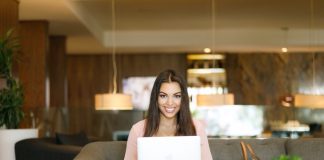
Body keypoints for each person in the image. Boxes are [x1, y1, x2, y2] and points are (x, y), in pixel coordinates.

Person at [124, 69, 213, 160]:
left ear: (183, 99)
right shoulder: (137, 130)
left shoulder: (197, 128)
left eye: (177, 96)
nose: (170, 103)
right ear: (156, 98)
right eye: (163, 96)